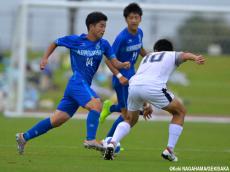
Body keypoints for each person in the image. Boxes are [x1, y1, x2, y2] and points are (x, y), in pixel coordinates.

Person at [16, 11, 131, 155]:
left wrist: (122, 65)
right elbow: (55, 42)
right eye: (101, 26)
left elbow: (113, 62)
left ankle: (24, 137)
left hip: (81, 86)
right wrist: (45, 58)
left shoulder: (104, 44)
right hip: (77, 81)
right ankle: (90, 139)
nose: (104, 29)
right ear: (91, 26)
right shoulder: (76, 40)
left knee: (57, 120)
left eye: (105, 26)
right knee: (96, 104)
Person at [103, 39, 205, 161]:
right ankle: (169, 150)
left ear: (156, 50)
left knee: (130, 119)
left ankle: (112, 143)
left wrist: (146, 105)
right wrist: (195, 58)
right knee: (180, 112)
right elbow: (185, 55)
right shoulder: (171, 54)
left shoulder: (148, 57)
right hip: (153, 87)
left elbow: (143, 83)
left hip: (134, 85)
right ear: (170, 50)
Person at [99, 3, 147, 138]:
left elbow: (140, 49)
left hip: (133, 77)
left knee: (134, 113)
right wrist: (119, 76)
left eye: (136, 17)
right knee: (128, 116)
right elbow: (108, 59)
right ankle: (109, 141)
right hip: (122, 80)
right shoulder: (122, 38)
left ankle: (110, 108)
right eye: (130, 18)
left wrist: (151, 58)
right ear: (126, 19)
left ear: (140, 18)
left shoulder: (140, 33)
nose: (133, 20)